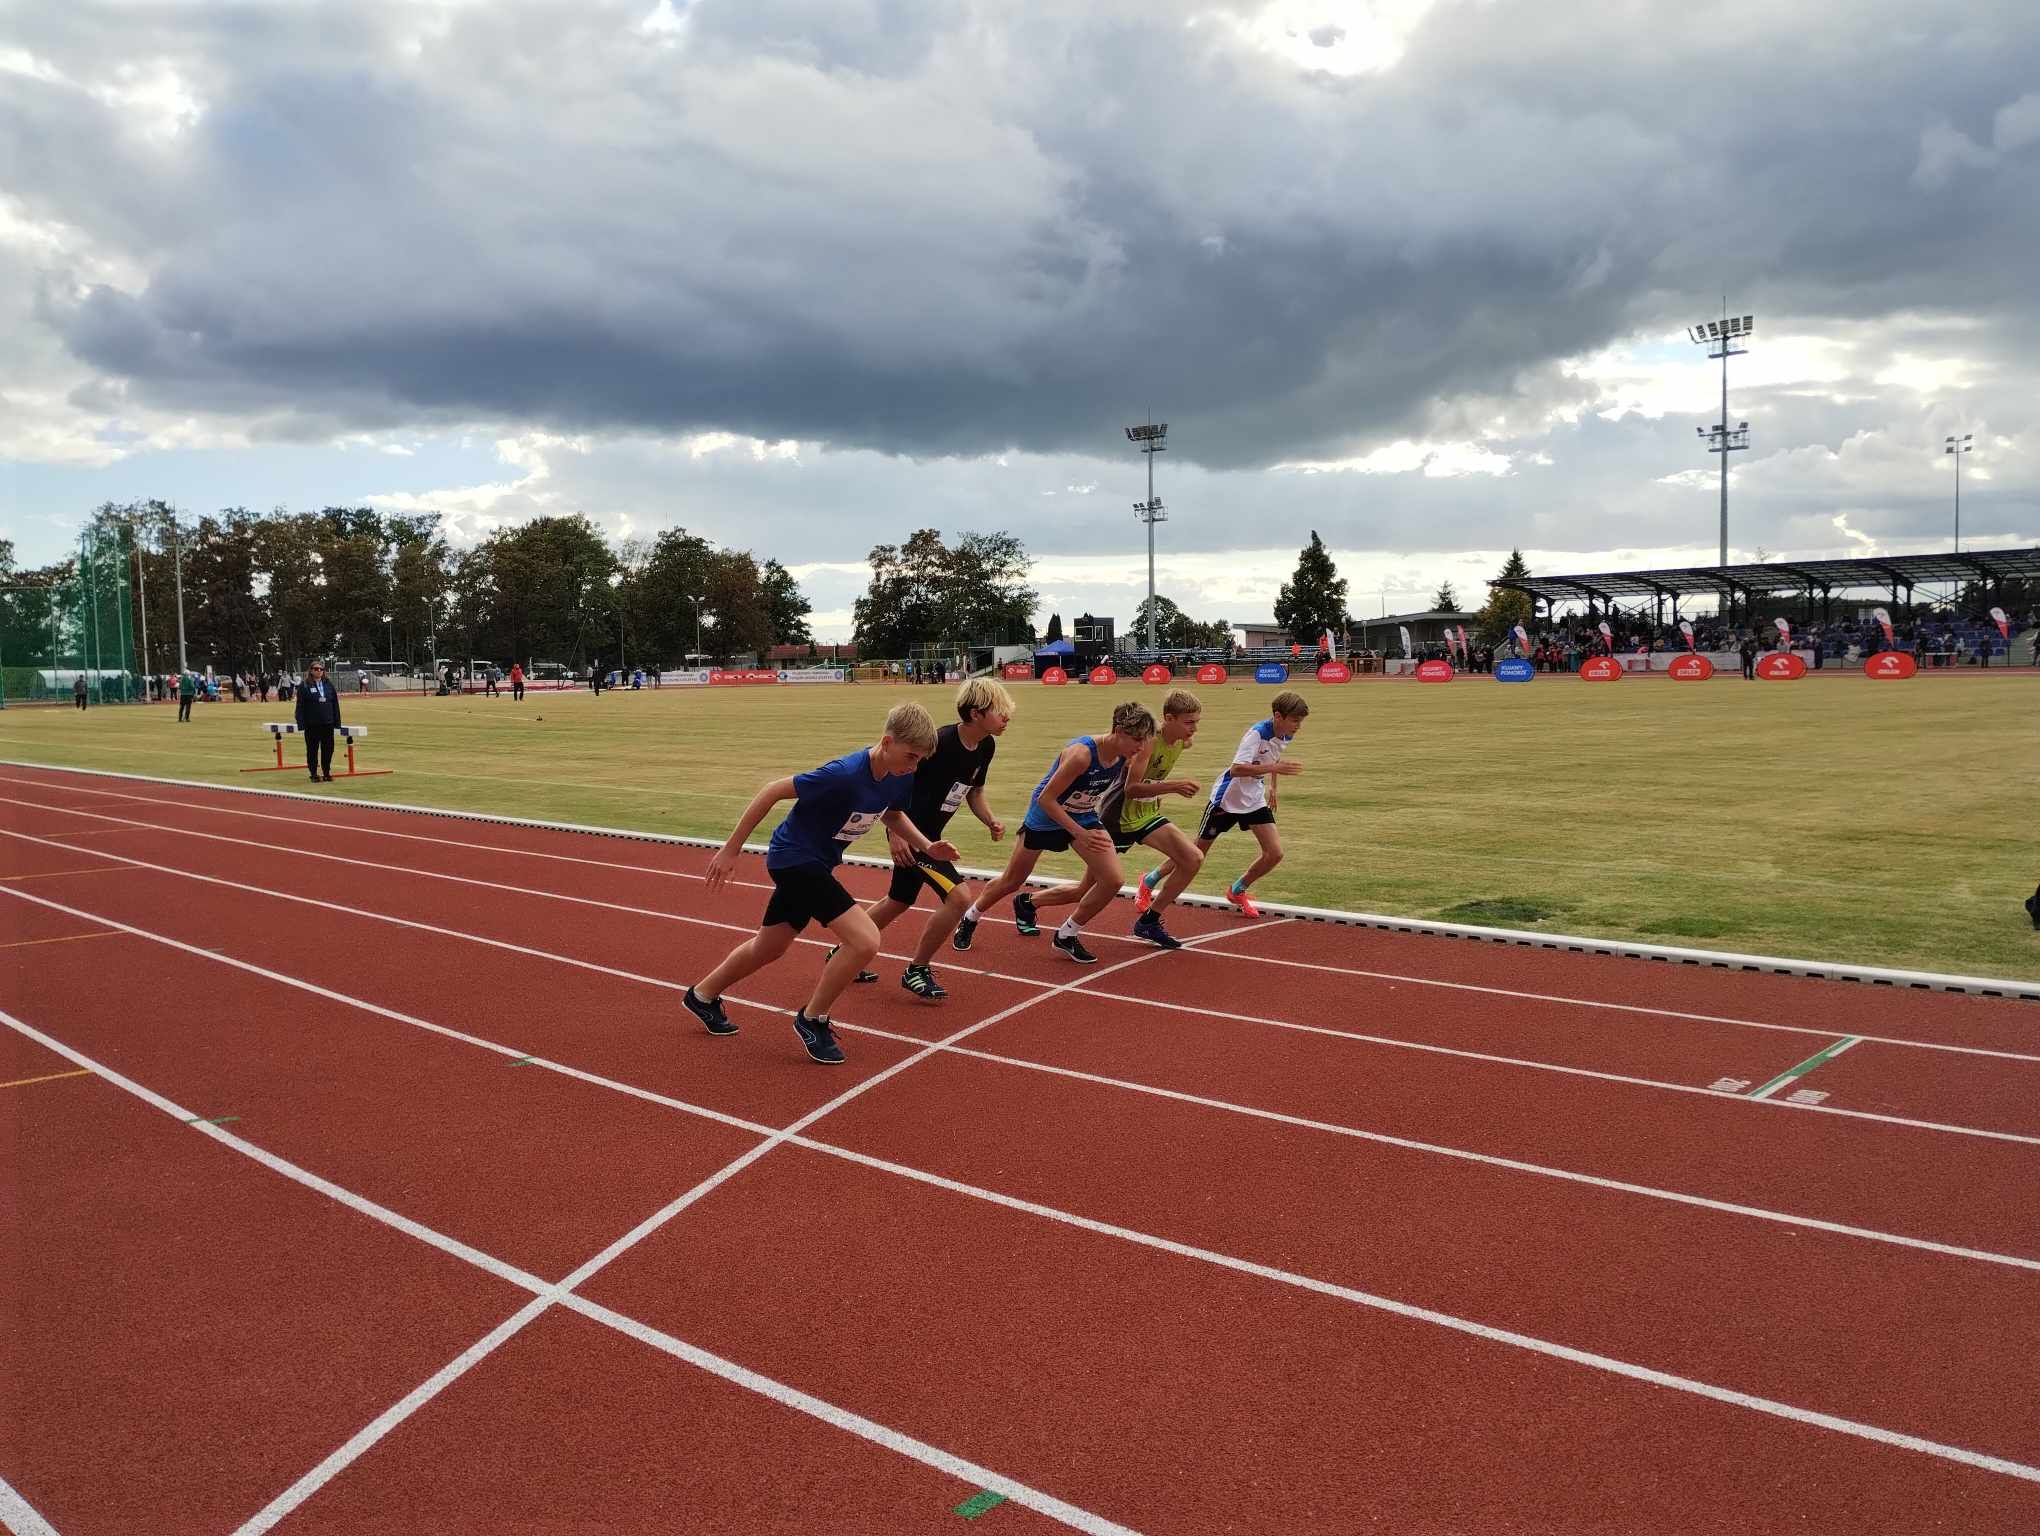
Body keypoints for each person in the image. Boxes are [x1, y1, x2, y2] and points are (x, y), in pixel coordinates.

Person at [683, 701, 952, 1064]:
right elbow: (772, 790)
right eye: (911, 756)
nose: (914, 766)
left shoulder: (899, 775)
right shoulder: (842, 773)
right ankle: (813, 1018)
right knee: (865, 940)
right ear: (887, 742)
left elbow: (892, 813)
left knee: (770, 946)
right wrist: (732, 849)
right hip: (793, 859)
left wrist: (926, 846)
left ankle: (702, 995)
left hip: (818, 864)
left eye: (920, 760)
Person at [841, 679, 1014, 999]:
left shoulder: (987, 746)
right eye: (1001, 712)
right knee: (959, 897)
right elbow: (895, 778)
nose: (1007, 717)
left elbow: (973, 791)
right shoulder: (940, 743)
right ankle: (916, 969)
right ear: (976, 714)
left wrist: (989, 819)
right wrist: (895, 834)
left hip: (931, 836)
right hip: (915, 835)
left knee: (898, 901)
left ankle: (845, 950)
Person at [952, 700, 1157, 965]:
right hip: (1046, 816)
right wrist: (1079, 833)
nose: (1141, 747)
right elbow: (1046, 799)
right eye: (1137, 739)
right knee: (1012, 881)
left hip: (1083, 815)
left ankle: (1067, 934)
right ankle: (970, 918)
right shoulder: (1082, 755)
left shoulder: (1124, 756)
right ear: (1119, 730)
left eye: (1144, 740)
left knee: (1113, 879)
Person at [1039, 687, 1208, 950]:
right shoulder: (1149, 742)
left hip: (1145, 816)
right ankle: (1031, 904)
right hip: (1117, 816)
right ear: (1169, 718)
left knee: (1192, 857)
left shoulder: (1183, 741)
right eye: (1189, 722)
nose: (1194, 729)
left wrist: (1163, 788)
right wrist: (1173, 786)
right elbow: (1131, 788)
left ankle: (1149, 921)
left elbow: (1175, 752)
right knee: (1088, 887)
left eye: (1197, 722)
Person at [1182, 690, 1309, 919]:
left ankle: (1237, 890)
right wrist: (1273, 769)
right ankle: (1149, 882)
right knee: (1194, 854)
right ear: (1278, 716)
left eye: (1300, 722)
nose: (1298, 726)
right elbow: (1236, 769)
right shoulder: (1257, 734)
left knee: (1274, 853)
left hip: (1253, 798)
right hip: (1228, 798)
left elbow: (1273, 759)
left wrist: (1273, 787)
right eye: (1295, 721)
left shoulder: (1285, 734)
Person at [294, 661, 342, 782]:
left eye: (321, 669)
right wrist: (301, 723)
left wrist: (337, 721)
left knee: (328, 749)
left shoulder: (328, 685)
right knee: (312, 750)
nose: (318, 671)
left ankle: (326, 772)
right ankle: (314, 773)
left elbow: (335, 704)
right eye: (316, 669)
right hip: (312, 724)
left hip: (327, 723)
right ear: (311, 670)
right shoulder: (304, 686)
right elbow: (300, 706)